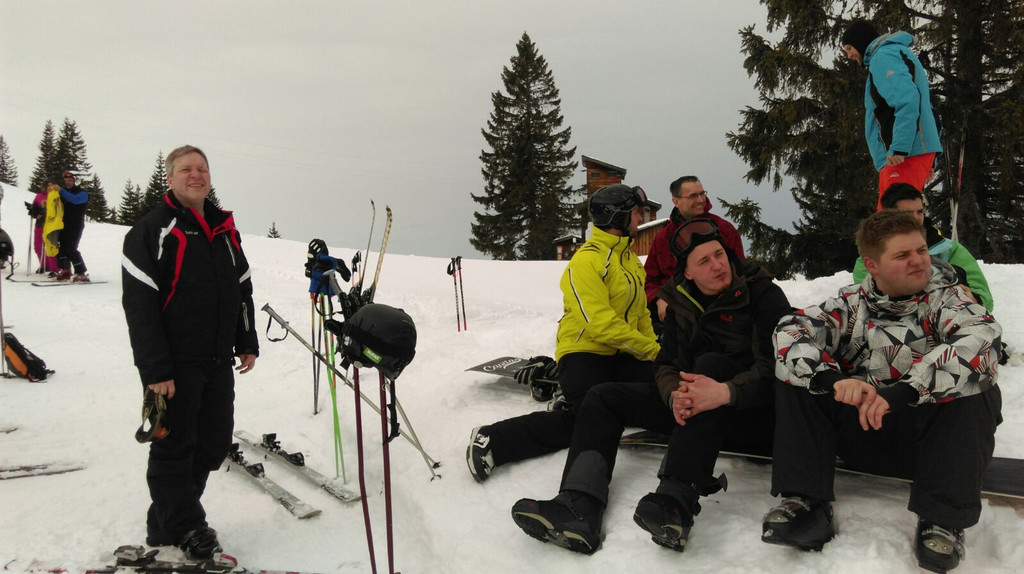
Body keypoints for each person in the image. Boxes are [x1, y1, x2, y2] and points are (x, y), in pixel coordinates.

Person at [510, 219, 790, 554]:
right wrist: (672, 395)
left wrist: (724, 391)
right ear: (688, 273)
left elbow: (777, 369)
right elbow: (667, 364)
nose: (718, 265)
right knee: (603, 396)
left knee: (710, 365)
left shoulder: (763, 294)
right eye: (704, 261)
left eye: (720, 255)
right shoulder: (680, 301)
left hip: (754, 413)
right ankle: (579, 506)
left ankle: (675, 503)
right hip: (694, 410)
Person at [762, 210, 1001, 573]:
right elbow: (789, 330)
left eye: (921, 250)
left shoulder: (950, 301)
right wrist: (832, 381)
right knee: (798, 371)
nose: (918, 260)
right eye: (903, 255)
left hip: (933, 446)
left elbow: (982, 338)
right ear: (872, 265)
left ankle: (943, 521)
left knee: (975, 382)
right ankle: (805, 504)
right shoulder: (849, 304)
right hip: (862, 431)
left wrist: (906, 391)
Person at [467, 184, 659, 483]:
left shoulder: (631, 261)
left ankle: (574, 394)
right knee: (588, 420)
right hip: (585, 353)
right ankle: (494, 440)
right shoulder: (587, 261)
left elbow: (642, 314)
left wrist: (658, 354)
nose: (640, 219)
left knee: (664, 391)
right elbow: (601, 325)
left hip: (622, 353)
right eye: (635, 212)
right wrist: (652, 350)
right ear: (618, 217)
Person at [122, 145, 259, 560]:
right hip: (174, 363)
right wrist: (155, 369)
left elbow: (242, 289)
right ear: (170, 178)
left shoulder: (224, 230)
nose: (196, 175)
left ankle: (165, 521)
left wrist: (246, 341)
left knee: (213, 444)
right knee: (175, 444)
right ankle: (186, 525)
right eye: (186, 169)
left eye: (202, 168)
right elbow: (140, 306)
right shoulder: (153, 229)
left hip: (216, 358)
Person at [841, 19, 942, 207]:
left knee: (893, 220)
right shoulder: (895, 53)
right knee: (899, 218)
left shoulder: (883, 57)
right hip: (911, 152)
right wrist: (929, 156)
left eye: (849, 48)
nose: (849, 55)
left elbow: (908, 100)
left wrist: (900, 147)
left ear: (860, 41)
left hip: (903, 155)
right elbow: (925, 106)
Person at [852, 183, 993, 311]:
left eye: (920, 211)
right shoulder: (874, 258)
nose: (916, 218)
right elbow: (868, 301)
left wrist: (974, 299)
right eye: (907, 213)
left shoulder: (949, 249)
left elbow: (982, 294)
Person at [643, 176, 745, 328]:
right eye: (693, 196)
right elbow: (649, 280)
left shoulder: (723, 229)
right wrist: (659, 299)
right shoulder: (663, 239)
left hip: (721, 316)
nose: (700, 200)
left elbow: (741, 271)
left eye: (702, 193)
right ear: (676, 201)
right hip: (675, 319)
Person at [55, 171, 90, 281]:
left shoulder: (82, 193)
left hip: (75, 225)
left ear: (75, 181)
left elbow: (75, 200)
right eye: (66, 180)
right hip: (63, 224)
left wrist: (61, 191)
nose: (68, 182)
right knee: (61, 248)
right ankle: (65, 270)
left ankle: (81, 272)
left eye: (70, 180)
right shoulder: (63, 192)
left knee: (71, 248)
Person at [28, 183, 59, 274]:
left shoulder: (55, 195)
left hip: (51, 224)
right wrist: (34, 212)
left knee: (51, 246)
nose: (50, 187)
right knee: (38, 246)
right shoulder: (39, 196)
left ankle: (54, 268)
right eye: (48, 186)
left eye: (51, 185)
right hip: (40, 224)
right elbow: (34, 208)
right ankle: (44, 265)